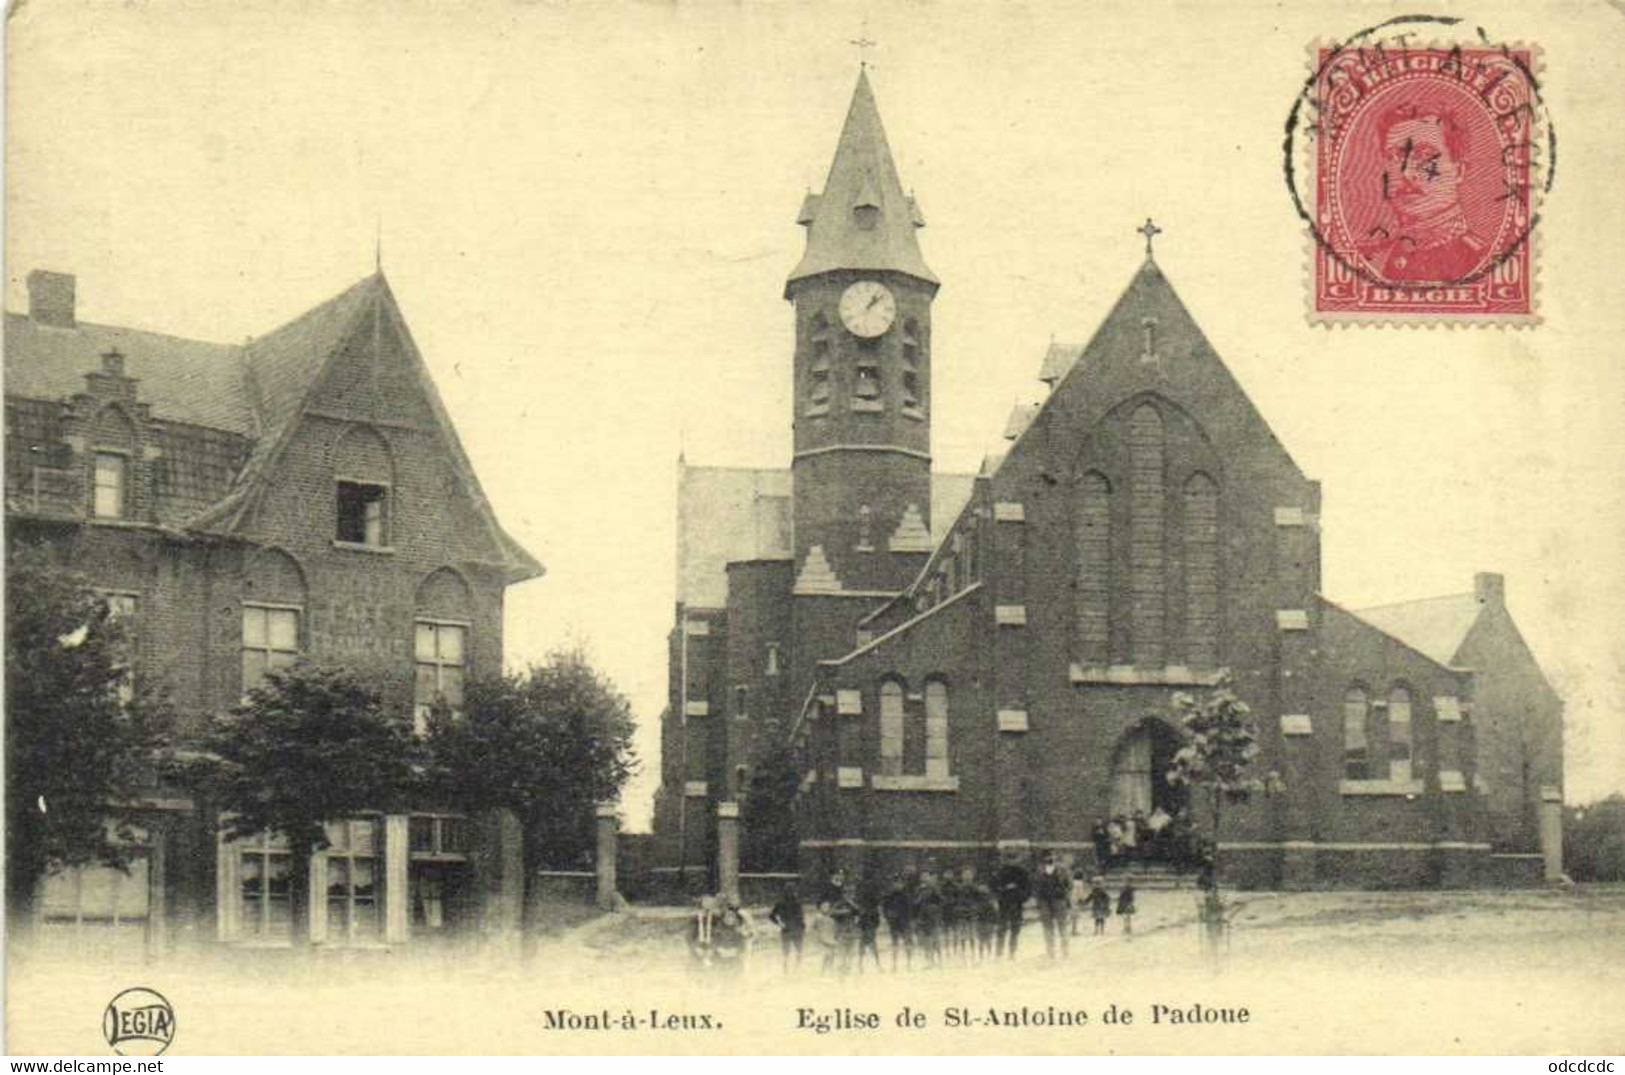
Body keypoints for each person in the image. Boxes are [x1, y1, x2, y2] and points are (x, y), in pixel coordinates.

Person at [1356, 103, 1487, 283]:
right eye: (1395, 157)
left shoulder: (1483, 261)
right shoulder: (1370, 261)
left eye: (1425, 155)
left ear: (1458, 171)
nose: (1406, 173)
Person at [992, 853, 1031, 959]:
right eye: (1010, 859)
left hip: (1016, 904)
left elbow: (1028, 888)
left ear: (1018, 860)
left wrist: (1021, 897)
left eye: (1014, 859)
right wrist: (1003, 891)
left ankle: (1012, 952)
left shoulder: (1022, 873)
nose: (1012, 861)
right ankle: (999, 952)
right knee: (1001, 928)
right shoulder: (1001, 872)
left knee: (1015, 929)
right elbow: (994, 886)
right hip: (1004, 903)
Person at [1033, 852, 1071, 959]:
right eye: (1047, 858)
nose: (1049, 859)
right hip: (1045, 901)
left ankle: (1065, 949)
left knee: (1062, 925)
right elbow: (1036, 887)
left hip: (1059, 900)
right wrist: (1038, 901)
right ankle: (1050, 950)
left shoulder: (1062, 870)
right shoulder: (1040, 871)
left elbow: (1069, 885)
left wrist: (1064, 895)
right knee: (1048, 927)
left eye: (1051, 857)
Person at [767, 883, 805, 974]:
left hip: (795, 929)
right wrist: (779, 923)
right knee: (788, 952)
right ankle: (787, 970)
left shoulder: (797, 902)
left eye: (792, 891)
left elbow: (801, 917)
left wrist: (802, 927)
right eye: (790, 891)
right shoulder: (781, 903)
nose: (791, 893)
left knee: (796, 951)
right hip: (788, 930)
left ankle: (795, 970)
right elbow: (771, 916)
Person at [880, 873, 915, 971]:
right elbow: (885, 910)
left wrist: (910, 921)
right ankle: (894, 964)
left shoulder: (906, 896)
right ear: (892, 885)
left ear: (902, 884)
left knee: (907, 942)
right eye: (895, 883)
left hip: (905, 923)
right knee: (895, 943)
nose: (897, 885)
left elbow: (910, 910)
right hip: (894, 924)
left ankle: (909, 963)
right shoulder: (888, 896)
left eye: (899, 883)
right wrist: (888, 918)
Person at [711, 899, 753, 976]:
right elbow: (714, 942)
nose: (729, 920)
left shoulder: (738, 930)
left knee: (737, 970)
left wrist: (736, 951)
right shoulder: (718, 930)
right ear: (723, 918)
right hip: (721, 955)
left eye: (732, 918)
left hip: (734, 956)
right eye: (727, 918)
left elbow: (742, 943)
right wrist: (719, 949)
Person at [912, 868, 945, 967]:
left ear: (930, 877)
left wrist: (935, 907)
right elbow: (914, 903)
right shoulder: (917, 889)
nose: (925, 878)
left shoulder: (934, 888)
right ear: (920, 878)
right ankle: (929, 960)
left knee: (934, 938)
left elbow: (942, 901)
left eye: (927, 876)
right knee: (925, 939)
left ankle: (937, 960)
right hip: (922, 917)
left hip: (933, 917)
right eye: (923, 876)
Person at [688, 894, 720, 970]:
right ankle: (703, 960)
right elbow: (692, 929)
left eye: (711, 903)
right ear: (702, 904)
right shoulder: (696, 916)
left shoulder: (715, 916)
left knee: (711, 947)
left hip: (710, 937)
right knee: (698, 948)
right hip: (700, 936)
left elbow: (717, 928)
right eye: (706, 902)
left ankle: (707, 960)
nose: (708, 905)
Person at [855, 892, 883, 974]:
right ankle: (863, 966)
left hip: (868, 930)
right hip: (868, 930)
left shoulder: (869, 911)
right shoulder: (871, 911)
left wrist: (871, 928)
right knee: (869, 948)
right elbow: (877, 922)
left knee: (867, 948)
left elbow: (877, 922)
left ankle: (863, 966)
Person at [812, 902, 841, 976]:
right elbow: (814, 928)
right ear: (821, 908)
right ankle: (823, 971)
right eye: (824, 907)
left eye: (827, 907)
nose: (826, 909)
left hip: (830, 939)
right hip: (822, 939)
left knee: (831, 955)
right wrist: (818, 936)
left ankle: (828, 970)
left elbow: (834, 929)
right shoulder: (818, 917)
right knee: (827, 954)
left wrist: (835, 938)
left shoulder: (831, 919)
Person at [973, 881, 999, 961]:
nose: (982, 889)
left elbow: (995, 910)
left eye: (984, 887)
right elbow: (974, 909)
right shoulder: (976, 897)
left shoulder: (991, 898)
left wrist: (995, 921)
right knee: (981, 940)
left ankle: (989, 955)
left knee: (988, 939)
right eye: (980, 887)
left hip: (988, 920)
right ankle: (981, 957)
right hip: (980, 920)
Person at [1069, 867, 1088, 937]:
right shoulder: (1080, 883)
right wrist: (1083, 899)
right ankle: (1074, 930)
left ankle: (1073, 929)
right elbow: (1080, 892)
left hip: (1071, 898)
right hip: (1076, 899)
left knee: (1073, 914)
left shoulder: (1073, 882)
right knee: (1075, 916)